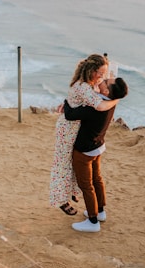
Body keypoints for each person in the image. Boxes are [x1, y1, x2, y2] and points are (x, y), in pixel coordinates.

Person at [49, 54, 119, 216]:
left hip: (77, 128)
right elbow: (100, 106)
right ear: (90, 71)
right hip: (68, 130)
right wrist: (117, 100)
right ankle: (61, 199)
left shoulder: (91, 84)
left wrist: (66, 103)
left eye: (104, 73)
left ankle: (73, 192)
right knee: (63, 165)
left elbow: (79, 100)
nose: (102, 77)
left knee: (75, 165)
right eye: (100, 73)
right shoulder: (83, 88)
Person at [63, 77, 128, 232]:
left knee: (86, 185)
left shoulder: (96, 107)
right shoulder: (111, 103)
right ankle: (100, 211)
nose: (103, 79)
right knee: (97, 179)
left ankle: (92, 221)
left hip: (85, 150)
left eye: (106, 81)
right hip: (98, 146)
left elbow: (70, 114)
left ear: (106, 91)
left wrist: (67, 101)